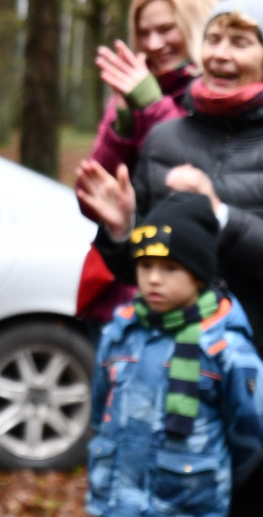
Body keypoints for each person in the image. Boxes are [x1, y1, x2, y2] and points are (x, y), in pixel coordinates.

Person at [77, 0, 263, 515]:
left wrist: (219, 214)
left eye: (242, 42)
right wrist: (121, 232)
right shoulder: (165, 139)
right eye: (214, 39)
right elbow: (146, 266)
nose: (222, 54)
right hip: (171, 378)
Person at [86, 192, 263, 517]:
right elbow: (100, 412)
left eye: (170, 268)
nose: (154, 278)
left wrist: (209, 474)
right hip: (115, 505)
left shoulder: (226, 348)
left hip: (187, 506)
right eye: (145, 265)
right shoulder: (121, 332)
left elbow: (250, 437)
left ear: (198, 275)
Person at [76, 0, 220, 328]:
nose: (154, 43)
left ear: (197, 25)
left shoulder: (220, 92)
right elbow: (91, 198)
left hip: (194, 292)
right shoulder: (135, 90)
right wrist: (122, 126)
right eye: (144, 32)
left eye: (166, 29)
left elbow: (200, 175)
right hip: (126, 287)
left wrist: (152, 106)